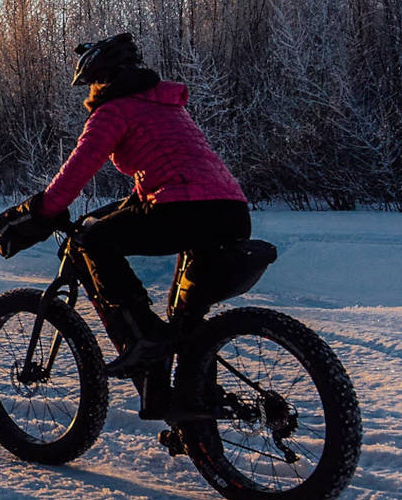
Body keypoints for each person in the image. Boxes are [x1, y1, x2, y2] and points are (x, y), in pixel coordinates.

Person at [35, 33, 250, 376]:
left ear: (103, 80)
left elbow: (78, 168)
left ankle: (143, 337)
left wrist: (43, 209)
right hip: (231, 211)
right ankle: (192, 414)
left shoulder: (114, 110)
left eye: (91, 84)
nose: (90, 92)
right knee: (188, 330)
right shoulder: (168, 106)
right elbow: (174, 170)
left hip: (183, 210)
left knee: (94, 241)